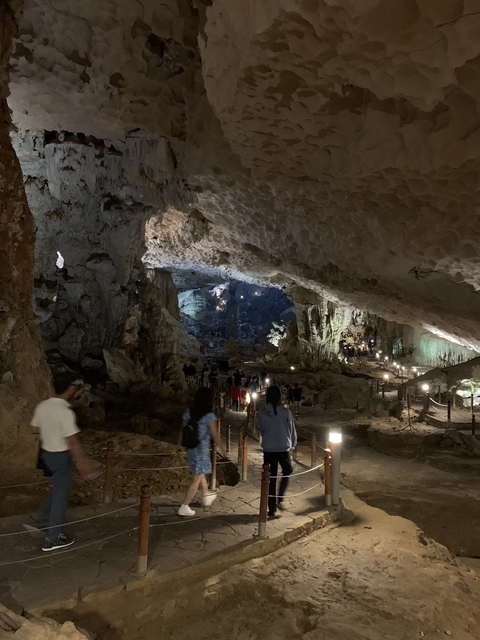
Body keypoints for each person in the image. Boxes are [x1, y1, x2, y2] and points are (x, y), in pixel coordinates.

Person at [28, 372, 96, 551]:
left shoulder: (43, 406)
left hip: (46, 455)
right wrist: (83, 464)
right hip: (60, 456)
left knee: (57, 488)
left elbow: (35, 428)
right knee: (60, 497)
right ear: (70, 389)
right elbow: (72, 442)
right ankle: (52, 538)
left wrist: (49, 430)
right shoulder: (65, 412)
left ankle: (41, 520)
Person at [179, 388, 227, 516]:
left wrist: (180, 447)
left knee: (200, 475)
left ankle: (206, 496)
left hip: (191, 449)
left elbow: (182, 430)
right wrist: (222, 448)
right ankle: (184, 506)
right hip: (202, 451)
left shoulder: (190, 412)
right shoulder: (209, 416)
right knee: (196, 478)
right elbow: (215, 436)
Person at [257, 386, 297, 518]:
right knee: (287, 470)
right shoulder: (285, 413)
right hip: (282, 447)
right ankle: (280, 497)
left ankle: (271, 508)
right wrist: (292, 443)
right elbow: (291, 429)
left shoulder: (262, 413)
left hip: (269, 448)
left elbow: (261, 429)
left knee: (270, 478)